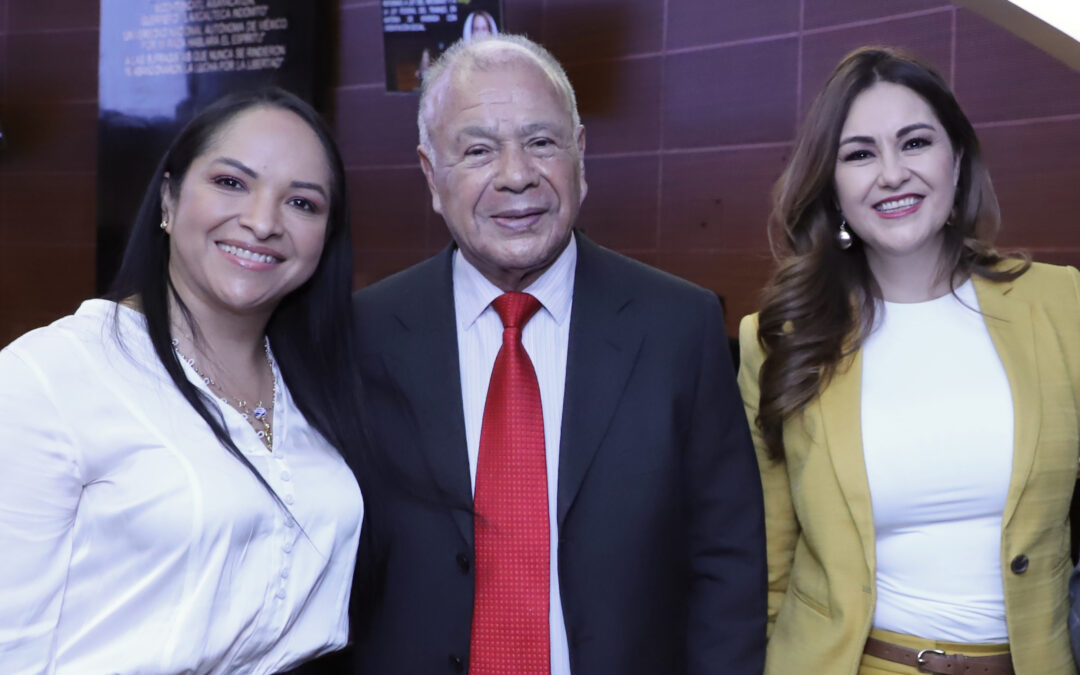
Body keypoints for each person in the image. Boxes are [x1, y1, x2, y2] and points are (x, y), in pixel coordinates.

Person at [350, 34, 766, 675]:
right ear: (432, 175)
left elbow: (728, 560)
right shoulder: (364, 335)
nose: (516, 175)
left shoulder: (679, 327)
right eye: (478, 150)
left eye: (542, 142)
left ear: (580, 155)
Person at [737, 46, 1080, 675]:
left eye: (915, 143)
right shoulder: (780, 338)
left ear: (958, 158)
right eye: (860, 154)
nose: (892, 174)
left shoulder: (1064, 305)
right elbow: (766, 565)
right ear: (832, 185)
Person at [0, 88, 364, 674]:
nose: (262, 222)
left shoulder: (322, 384)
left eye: (301, 202)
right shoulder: (51, 375)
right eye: (231, 182)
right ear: (168, 199)